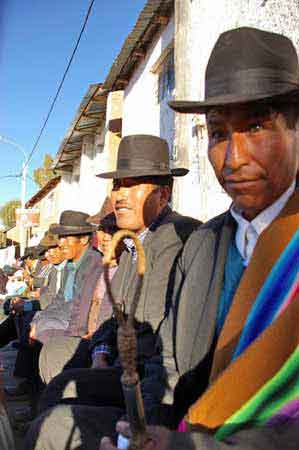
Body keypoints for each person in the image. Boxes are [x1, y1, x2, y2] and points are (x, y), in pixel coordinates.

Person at [97, 27, 299, 450]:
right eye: (220, 134)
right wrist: (143, 433)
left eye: (257, 126)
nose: (234, 158)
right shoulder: (203, 246)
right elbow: (169, 364)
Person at [25, 134, 200, 449]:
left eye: (133, 185)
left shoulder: (182, 239)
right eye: (118, 185)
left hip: (149, 384)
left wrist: (142, 421)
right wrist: (101, 353)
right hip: (121, 370)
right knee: (59, 385)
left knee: (57, 414)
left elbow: (169, 350)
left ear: (163, 193)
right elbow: (112, 319)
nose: (119, 195)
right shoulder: (132, 244)